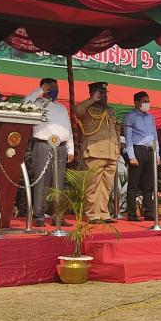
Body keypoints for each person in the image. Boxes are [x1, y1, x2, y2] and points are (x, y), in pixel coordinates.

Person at [24, 78, 74, 227]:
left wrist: (70, 148)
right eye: (51, 87)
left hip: (61, 146)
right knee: (42, 181)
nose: (54, 90)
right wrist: (39, 91)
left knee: (59, 183)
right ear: (44, 88)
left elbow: (68, 129)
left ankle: (58, 215)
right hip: (43, 144)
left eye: (56, 87)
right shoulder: (37, 104)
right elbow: (24, 104)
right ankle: (38, 215)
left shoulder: (61, 108)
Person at [76, 82, 119, 224]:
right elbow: (76, 111)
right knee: (92, 185)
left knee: (107, 185)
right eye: (101, 93)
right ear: (93, 93)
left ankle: (103, 212)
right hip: (95, 151)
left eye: (105, 93)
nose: (104, 96)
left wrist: (117, 147)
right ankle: (91, 214)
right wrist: (92, 100)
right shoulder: (87, 108)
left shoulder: (111, 110)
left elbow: (116, 130)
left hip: (111, 152)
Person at [123, 91, 158, 222]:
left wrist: (157, 154)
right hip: (137, 150)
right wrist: (131, 156)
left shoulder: (151, 118)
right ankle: (132, 214)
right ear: (137, 103)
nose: (147, 104)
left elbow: (155, 136)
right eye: (144, 101)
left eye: (148, 101)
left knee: (149, 185)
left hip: (150, 150)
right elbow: (128, 137)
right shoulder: (130, 116)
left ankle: (149, 212)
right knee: (134, 185)